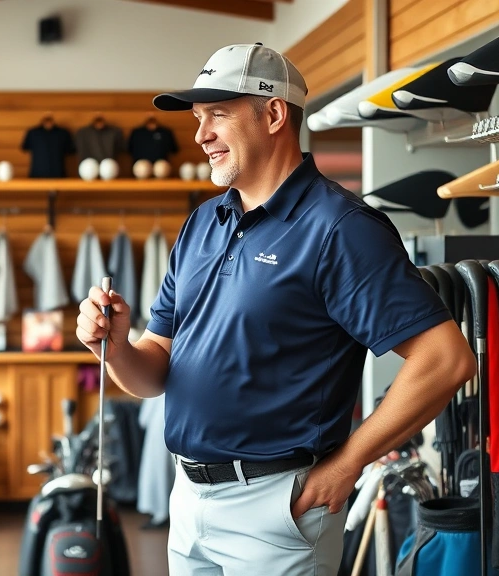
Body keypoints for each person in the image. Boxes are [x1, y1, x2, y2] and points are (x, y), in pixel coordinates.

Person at [75, 44, 476, 575]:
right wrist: (115, 346)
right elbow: (153, 373)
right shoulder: (201, 224)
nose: (200, 135)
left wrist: (349, 463)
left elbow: (445, 360)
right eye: (198, 118)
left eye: (217, 114)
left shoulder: (341, 228)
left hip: (278, 508)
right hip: (189, 500)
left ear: (273, 114)